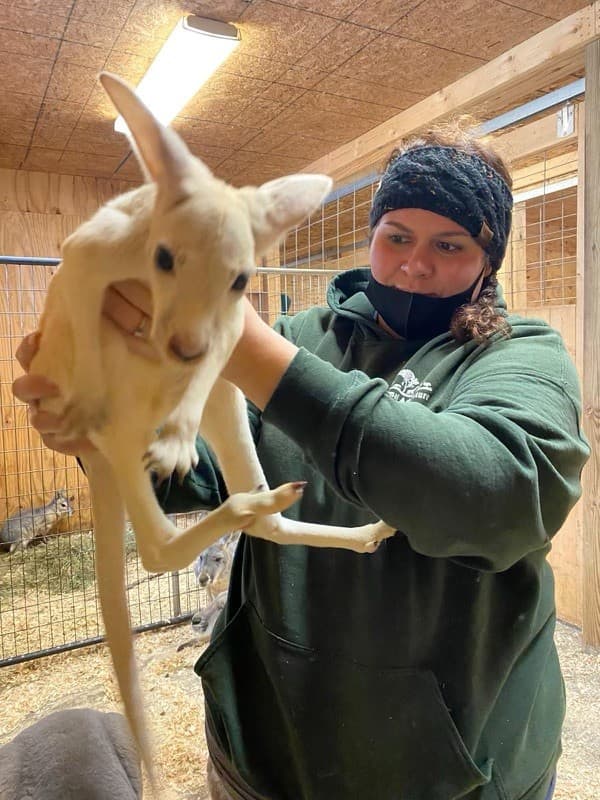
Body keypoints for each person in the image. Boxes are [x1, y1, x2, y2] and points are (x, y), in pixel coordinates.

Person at [13, 123, 589, 800]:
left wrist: (249, 351)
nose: (414, 265)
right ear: (372, 234)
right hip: (267, 752)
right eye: (397, 236)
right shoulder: (302, 337)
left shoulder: (521, 356)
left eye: (449, 244)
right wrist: (102, 424)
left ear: (489, 260)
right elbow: (188, 472)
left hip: (448, 771)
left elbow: (493, 496)